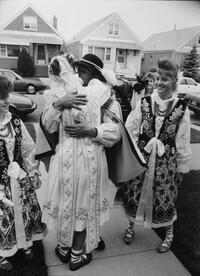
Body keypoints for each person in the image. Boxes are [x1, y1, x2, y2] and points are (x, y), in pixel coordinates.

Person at [42, 54, 121, 271]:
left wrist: (93, 130)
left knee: (83, 206)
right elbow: (48, 125)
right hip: (65, 160)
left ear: (95, 74)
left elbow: (116, 132)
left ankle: (76, 254)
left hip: (90, 160)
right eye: (76, 70)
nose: (78, 75)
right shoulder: (63, 94)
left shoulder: (104, 96)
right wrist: (59, 103)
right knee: (67, 204)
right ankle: (66, 248)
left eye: (84, 71)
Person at [115, 57, 192, 253]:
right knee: (135, 192)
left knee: (165, 195)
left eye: (164, 79)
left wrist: (181, 166)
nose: (158, 83)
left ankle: (169, 235)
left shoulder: (182, 107)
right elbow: (131, 128)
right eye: (157, 78)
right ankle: (131, 226)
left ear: (174, 81)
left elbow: (183, 140)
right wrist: (131, 154)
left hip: (165, 162)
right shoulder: (145, 102)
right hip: (143, 157)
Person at [0, 76, 46, 271]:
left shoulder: (15, 122)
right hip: (1, 184)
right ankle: (3, 253)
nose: (6, 100)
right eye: (1, 96)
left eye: (7, 95)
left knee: (25, 213)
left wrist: (34, 171)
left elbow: (28, 149)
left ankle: (24, 243)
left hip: (20, 180)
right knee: (4, 218)